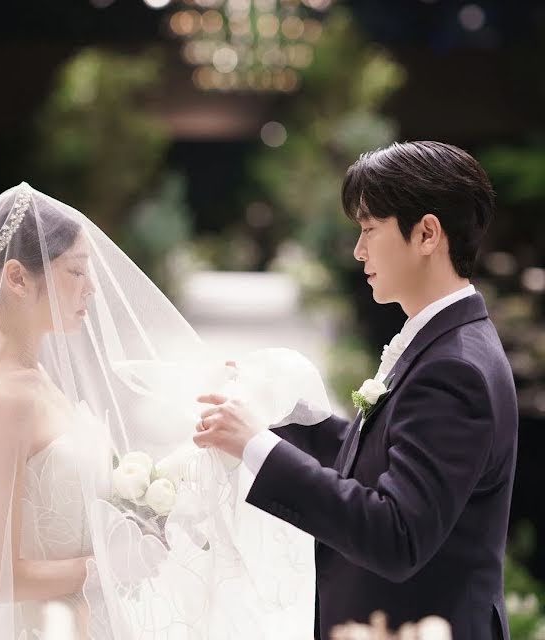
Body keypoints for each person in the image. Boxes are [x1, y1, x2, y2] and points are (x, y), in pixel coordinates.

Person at [0, 182, 334, 639]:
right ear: (16, 278)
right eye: (76, 271)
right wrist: (106, 566)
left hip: (87, 618)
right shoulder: (1, 396)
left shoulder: (36, 376)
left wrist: (161, 496)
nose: (91, 288)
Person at [195, 141, 518, 639]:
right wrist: (292, 418)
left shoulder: (454, 368)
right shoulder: (446, 342)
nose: (358, 250)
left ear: (427, 233)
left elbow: (396, 534)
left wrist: (257, 446)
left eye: (369, 229)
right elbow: (390, 460)